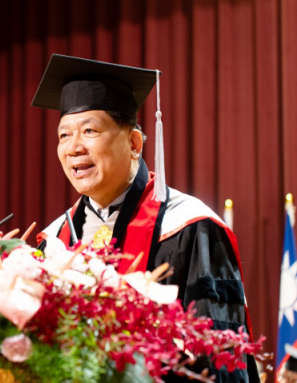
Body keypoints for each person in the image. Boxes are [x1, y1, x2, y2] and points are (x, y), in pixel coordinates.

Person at [32, 54, 259, 382]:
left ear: (134, 143)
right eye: (63, 136)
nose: (72, 147)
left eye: (89, 130)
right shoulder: (55, 240)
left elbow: (219, 356)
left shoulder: (190, 227)